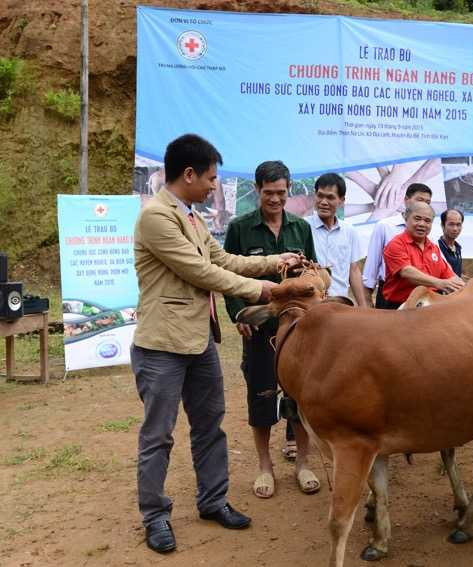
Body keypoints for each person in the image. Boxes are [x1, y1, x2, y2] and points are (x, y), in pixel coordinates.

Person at [133, 134, 299, 553]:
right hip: (162, 346)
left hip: (200, 339)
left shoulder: (192, 217)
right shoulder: (157, 217)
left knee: (210, 425)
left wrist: (276, 262)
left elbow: (223, 260)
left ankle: (212, 500)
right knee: (159, 435)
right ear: (188, 175)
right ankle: (155, 516)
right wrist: (265, 290)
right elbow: (202, 273)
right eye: (210, 178)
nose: (213, 186)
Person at [223, 160, 321, 500]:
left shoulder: (301, 228)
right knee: (261, 393)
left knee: (301, 396)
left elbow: (312, 276)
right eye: (268, 193)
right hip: (260, 327)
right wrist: (240, 315)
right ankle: (265, 466)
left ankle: (303, 463)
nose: (275, 199)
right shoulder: (240, 228)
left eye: (281, 193)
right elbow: (228, 279)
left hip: (299, 332)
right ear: (257, 190)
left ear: (289, 189)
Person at [381, 201, 465, 309]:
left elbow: (449, 276)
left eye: (427, 221)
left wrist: (469, 289)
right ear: (406, 219)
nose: (422, 224)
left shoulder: (433, 248)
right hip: (399, 308)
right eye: (417, 218)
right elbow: (406, 271)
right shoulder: (396, 244)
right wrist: (439, 283)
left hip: (428, 308)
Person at [362, 183, 433, 309]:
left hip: (419, 293)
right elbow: (372, 264)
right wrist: (367, 300)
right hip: (390, 292)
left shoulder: (428, 230)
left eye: (427, 202)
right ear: (406, 201)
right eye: (420, 200)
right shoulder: (385, 226)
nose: (424, 205)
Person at [308, 172, 369, 305]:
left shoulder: (349, 231)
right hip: (310, 304)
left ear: (341, 201)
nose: (323, 202)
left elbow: (354, 270)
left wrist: (363, 306)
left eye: (330, 197)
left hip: (340, 304)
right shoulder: (303, 227)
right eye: (320, 196)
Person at [438, 208, 464, 277]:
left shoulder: (458, 248)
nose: (455, 229)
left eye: (458, 225)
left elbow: (457, 274)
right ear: (442, 225)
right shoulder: (437, 248)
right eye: (451, 224)